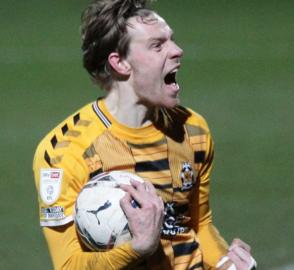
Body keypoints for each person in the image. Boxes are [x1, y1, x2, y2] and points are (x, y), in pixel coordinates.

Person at [32, 0, 256, 269]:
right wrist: (138, 248)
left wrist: (226, 263)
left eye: (171, 40)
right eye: (157, 45)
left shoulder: (193, 130)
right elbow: (69, 264)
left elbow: (197, 225)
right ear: (121, 63)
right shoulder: (63, 152)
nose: (177, 50)